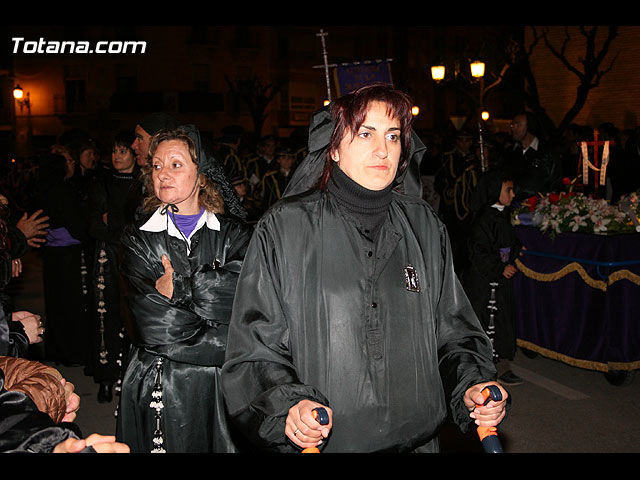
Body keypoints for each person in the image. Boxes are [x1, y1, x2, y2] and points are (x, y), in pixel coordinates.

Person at [221, 83, 508, 453]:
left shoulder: (424, 226)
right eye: (365, 133)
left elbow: (453, 332)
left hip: (419, 443)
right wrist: (289, 405)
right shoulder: (285, 227)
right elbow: (254, 349)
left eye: (393, 135)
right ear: (334, 149)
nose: (382, 149)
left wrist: (472, 384)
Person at [116, 125, 252, 453]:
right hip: (161, 384)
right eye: (157, 165)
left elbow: (250, 306)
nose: (163, 174)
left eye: (176, 165)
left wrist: (181, 288)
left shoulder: (236, 236)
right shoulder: (137, 239)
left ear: (201, 174)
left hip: (222, 390)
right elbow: (152, 325)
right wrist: (226, 334)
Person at [87, 131, 139, 403]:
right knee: (105, 316)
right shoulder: (103, 182)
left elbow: (143, 221)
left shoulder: (144, 182)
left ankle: (131, 378)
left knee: (134, 317)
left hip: (136, 258)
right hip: (107, 256)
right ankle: (106, 378)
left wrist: (116, 222)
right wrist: (120, 229)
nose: (116, 157)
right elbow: (95, 224)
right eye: (114, 152)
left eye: (123, 151)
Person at [463, 170, 524, 386]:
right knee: (487, 322)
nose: (513, 194)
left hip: (499, 279)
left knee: (502, 321)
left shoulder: (501, 215)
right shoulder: (483, 219)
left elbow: (506, 242)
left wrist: (516, 251)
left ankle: (502, 365)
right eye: (508, 190)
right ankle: (485, 366)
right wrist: (499, 267)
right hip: (485, 281)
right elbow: (478, 251)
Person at [33, 154, 91, 368]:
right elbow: (74, 223)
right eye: (68, 162)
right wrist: (87, 237)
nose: (72, 164)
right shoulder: (62, 191)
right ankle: (71, 353)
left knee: (56, 303)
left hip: (52, 254)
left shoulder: (44, 188)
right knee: (70, 304)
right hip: (67, 253)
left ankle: (56, 350)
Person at [435, 130, 481, 274]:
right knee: (452, 243)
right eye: (461, 140)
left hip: (470, 208)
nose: (464, 144)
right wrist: (450, 191)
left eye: (467, 141)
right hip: (452, 209)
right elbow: (439, 182)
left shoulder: (476, 159)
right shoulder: (447, 158)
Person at [501, 112, 561, 201]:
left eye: (518, 124)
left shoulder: (547, 152)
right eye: (512, 125)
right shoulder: (509, 153)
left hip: (539, 208)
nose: (513, 128)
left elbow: (555, 182)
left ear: (529, 127)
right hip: (512, 206)